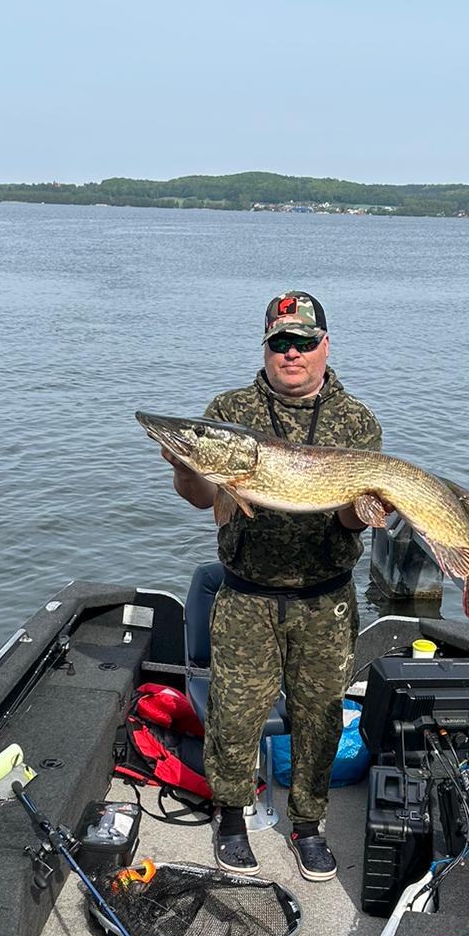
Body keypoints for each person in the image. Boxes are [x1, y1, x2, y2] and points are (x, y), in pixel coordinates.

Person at [167, 291, 382, 881]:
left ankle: (308, 826)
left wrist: (363, 510)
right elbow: (203, 498)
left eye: (303, 342)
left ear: (324, 346)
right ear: (266, 347)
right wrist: (187, 467)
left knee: (320, 719)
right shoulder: (229, 410)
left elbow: (349, 520)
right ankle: (231, 818)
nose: (291, 353)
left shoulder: (357, 421)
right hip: (246, 596)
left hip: (325, 600)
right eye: (280, 342)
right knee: (234, 716)